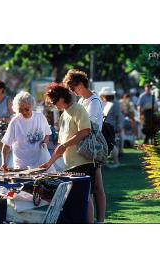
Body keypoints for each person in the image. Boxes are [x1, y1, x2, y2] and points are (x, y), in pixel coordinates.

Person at [39, 82, 94, 223]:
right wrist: (49, 163)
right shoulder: (63, 115)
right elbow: (60, 145)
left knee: (80, 203)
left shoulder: (78, 109)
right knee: (71, 204)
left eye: (54, 101)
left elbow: (85, 131)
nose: (53, 104)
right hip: (69, 166)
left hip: (83, 164)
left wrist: (65, 145)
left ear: (62, 98)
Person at [62, 69, 106, 224]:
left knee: (95, 189)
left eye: (73, 88)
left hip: (91, 148)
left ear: (80, 84)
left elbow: (88, 129)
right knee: (96, 187)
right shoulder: (82, 102)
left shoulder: (94, 102)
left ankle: (98, 221)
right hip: (84, 149)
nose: (72, 91)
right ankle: (97, 221)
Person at [1, 91, 53, 171]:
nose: (24, 112)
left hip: (41, 164)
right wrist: (3, 162)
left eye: (26, 109)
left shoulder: (40, 117)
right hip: (22, 167)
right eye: (21, 110)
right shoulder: (15, 122)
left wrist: (45, 143)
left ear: (31, 106)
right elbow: (6, 145)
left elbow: (47, 134)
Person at [99, 86, 121, 167]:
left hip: (106, 126)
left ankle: (115, 162)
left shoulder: (103, 103)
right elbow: (118, 117)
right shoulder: (116, 103)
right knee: (112, 144)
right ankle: (114, 161)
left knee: (110, 144)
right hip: (111, 126)